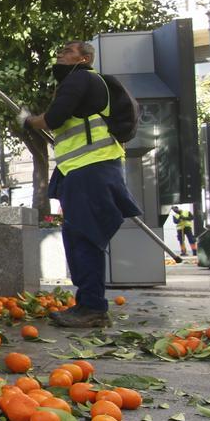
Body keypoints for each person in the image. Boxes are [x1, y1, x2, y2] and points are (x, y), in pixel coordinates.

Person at [24, 40, 141, 328]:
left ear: (85, 58)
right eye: (59, 49)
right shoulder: (85, 83)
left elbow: (53, 118)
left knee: (83, 239)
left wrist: (29, 121)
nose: (60, 53)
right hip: (88, 169)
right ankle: (88, 304)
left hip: (90, 169)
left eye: (68, 51)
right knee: (80, 237)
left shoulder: (80, 78)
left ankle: (92, 308)